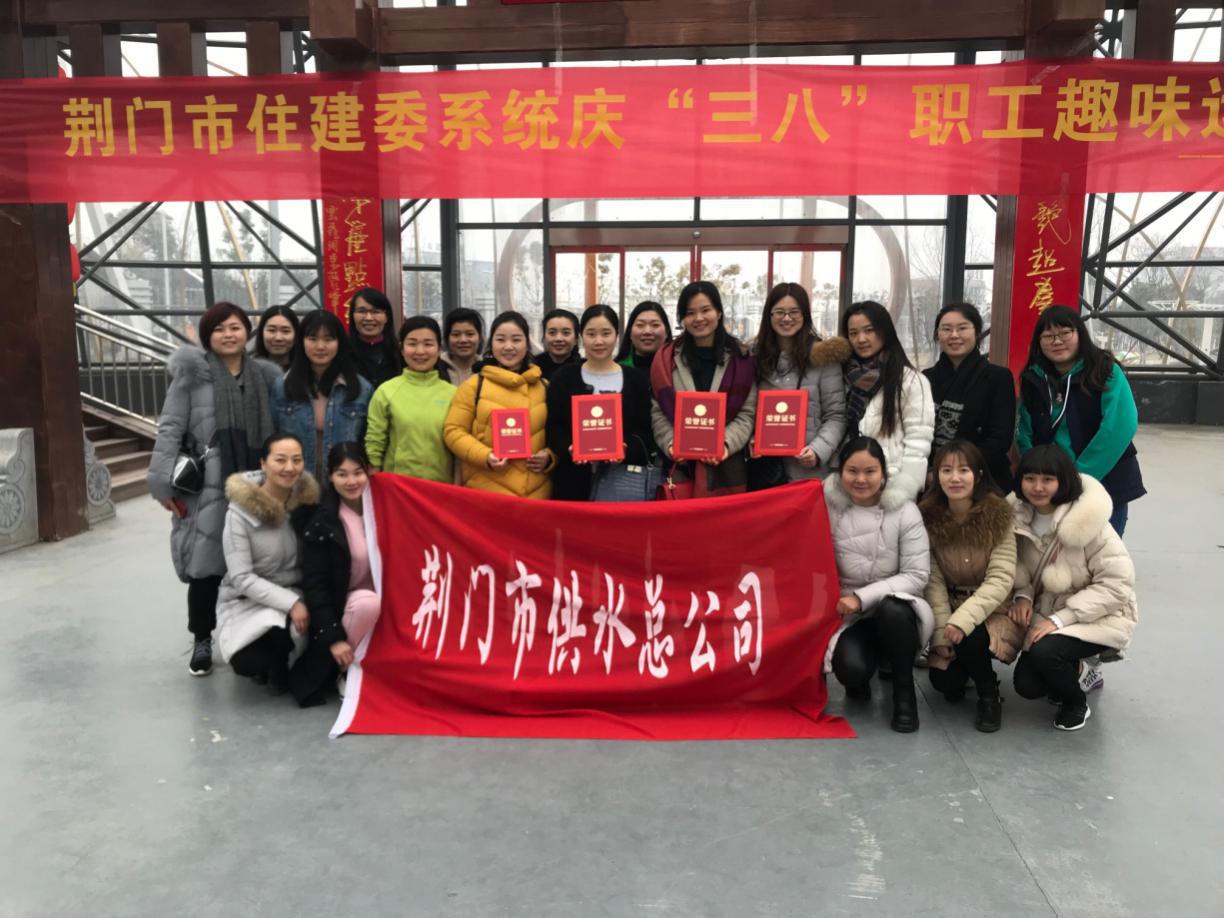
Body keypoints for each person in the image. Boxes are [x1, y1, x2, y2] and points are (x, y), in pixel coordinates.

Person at [148, 302, 281, 677]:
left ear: (247, 332)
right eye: (219, 328)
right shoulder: (191, 377)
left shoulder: (263, 377)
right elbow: (170, 428)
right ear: (208, 336)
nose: (228, 334)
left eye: (235, 327)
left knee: (257, 563)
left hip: (255, 482)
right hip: (207, 485)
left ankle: (255, 636)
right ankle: (202, 638)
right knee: (205, 567)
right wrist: (162, 483)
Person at [1009, 445, 1138, 731]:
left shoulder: (1089, 521)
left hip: (1099, 614)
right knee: (1028, 686)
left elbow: (1117, 584)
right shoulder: (1016, 517)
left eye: (1047, 479)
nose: (1038, 487)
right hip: (1047, 611)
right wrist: (1022, 595)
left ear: (1064, 481)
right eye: (1030, 478)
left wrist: (1060, 620)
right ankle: (1078, 668)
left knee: (1046, 654)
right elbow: (1017, 567)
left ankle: (1076, 703)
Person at [824, 437, 933, 733]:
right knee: (851, 669)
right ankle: (861, 673)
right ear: (840, 472)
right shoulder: (827, 508)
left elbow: (916, 575)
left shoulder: (905, 511)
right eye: (852, 471)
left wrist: (862, 597)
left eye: (870, 471)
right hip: (850, 614)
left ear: (883, 473)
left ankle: (904, 693)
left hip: (899, 607)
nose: (861, 479)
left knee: (893, 611)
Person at [1017, 304, 1144, 536]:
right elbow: (1024, 431)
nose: (1057, 341)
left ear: (1080, 334)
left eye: (1065, 333)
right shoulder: (1034, 378)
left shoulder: (1105, 371)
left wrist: (1078, 478)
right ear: (1039, 342)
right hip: (1048, 486)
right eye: (1048, 336)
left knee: (1103, 551)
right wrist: (1036, 473)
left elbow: (1119, 427)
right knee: (1049, 552)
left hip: (1104, 483)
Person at [920, 439, 1019, 733]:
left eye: (963, 470)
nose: (955, 478)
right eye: (946, 470)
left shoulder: (998, 515)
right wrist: (941, 632)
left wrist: (962, 620)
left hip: (995, 610)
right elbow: (933, 580)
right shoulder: (928, 518)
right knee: (944, 683)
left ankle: (989, 695)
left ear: (978, 474)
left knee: (971, 636)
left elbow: (1001, 579)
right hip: (949, 608)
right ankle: (968, 667)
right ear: (935, 476)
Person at [215, 433, 320, 702]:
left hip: (298, 590)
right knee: (247, 660)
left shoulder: (308, 503)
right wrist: (291, 603)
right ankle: (274, 662)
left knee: (294, 632)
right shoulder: (239, 513)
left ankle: (285, 660)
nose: (289, 467)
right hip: (248, 598)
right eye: (280, 460)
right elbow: (242, 577)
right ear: (263, 463)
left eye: (296, 460)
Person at [650, 281, 757, 498]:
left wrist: (724, 444)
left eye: (706, 310)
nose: (698, 318)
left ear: (719, 312)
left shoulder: (742, 359)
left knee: (723, 520)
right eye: (690, 313)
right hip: (680, 469)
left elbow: (747, 413)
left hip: (727, 469)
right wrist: (671, 443)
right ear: (682, 319)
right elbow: (658, 411)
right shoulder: (666, 359)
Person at [546, 304, 661, 501]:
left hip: (622, 486)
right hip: (572, 484)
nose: (598, 341)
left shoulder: (636, 380)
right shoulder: (563, 378)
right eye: (591, 334)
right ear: (581, 336)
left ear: (617, 335)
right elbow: (553, 429)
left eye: (606, 333)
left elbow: (646, 432)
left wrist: (626, 448)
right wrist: (569, 447)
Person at [300, 442, 381, 701]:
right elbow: (316, 586)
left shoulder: (384, 508)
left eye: (358, 472)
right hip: (347, 607)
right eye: (342, 474)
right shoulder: (323, 522)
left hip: (384, 603)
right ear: (331, 477)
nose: (351, 481)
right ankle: (345, 669)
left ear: (369, 472)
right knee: (368, 602)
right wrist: (334, 638)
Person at [444, 311, 554, 498]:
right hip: (488, 493)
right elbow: (453, 431)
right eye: (500, 340)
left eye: (516, 340)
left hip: (536, 494)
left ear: (527, 344)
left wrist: (551, 456)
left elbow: (559, 432)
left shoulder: (544, 386)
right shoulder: (474, 385)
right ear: (491, 343)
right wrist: (485, 456)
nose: (508, 347)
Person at [752, 282, 849, 485]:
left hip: (807, 473)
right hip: (764, 471)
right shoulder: (754, 358)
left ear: (805, 315)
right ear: (769, 316)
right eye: (779, 312)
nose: (787, 318)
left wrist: (817, 450)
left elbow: (836, 415)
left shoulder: (824, 359)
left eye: (794, 312)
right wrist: (752, 440)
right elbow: (747, 412)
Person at [840, 300, 934, 499]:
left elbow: (918, 442)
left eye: (869, 330)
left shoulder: (910, 380)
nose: (861, 339)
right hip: (850, 484)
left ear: (885, 331)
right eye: (853, 333)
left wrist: (904, 491)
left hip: (891, 485)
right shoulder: (843, 377)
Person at [923, 302, 1016, 493]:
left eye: (962, 328)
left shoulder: (998, 377)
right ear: (937, 335)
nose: (954, 335)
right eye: (946, 329)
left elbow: (1000, 439)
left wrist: (955, 469)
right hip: (932, 481)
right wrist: (931, 471)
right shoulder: (926, 378)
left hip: (983, 479)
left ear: (977, 333)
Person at [272, 310, 373, 481]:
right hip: (294, 481)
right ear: (301, 341)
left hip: (344, 483)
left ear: (340, 343)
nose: (320, 346)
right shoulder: (282, 386)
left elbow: (368, 442)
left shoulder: (362, 389)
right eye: (312, 339)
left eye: (328, 339)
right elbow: (273, 437)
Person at [365, 316, 457, 482]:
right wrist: (375, 476)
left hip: (442, 487)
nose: (420, 351)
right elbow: (374, 441)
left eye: (428, 344)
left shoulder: (454, 394)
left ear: (439, 349)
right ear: (402, 349)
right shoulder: (386, 391)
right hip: (398, 486)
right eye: (412, 344)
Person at [346, 287, 402, 388]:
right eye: (362, 311)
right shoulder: (342, 352)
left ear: (387, 317)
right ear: (352, 316)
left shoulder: (400, 352)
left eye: (376, 311)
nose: (369, 318)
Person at [616, 300, 672, 375]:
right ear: (630, 332)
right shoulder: (616, 371)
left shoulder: (678, 368)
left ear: (667, 332)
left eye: (655, 325)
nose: (647, 331)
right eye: (640, 325)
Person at [534, 307, 582, 382]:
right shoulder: (531, 368)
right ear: (544, 337)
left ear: (576, 339)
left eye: (566, 333)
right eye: (552, 333)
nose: (558, 338)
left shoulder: (584, 370)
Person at [440, 307, 484, 386]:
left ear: (480, 337)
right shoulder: (436, 369)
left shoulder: (488, 369)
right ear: (447, 338)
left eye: (470, 334)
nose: (463, 340)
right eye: (456, 334)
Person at [250, 304, 299, 372]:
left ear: (296, 334)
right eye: (272, 330)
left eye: (285, 331)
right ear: (262, 333)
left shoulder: (308, 372)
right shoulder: (248, 371)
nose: (278, 338)